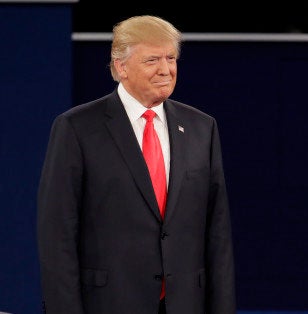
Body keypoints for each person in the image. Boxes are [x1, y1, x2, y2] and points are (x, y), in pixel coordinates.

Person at [37, 15, 235, 314]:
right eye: (152, 60)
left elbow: (217, 230)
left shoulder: (201, 127)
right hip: (108, 303)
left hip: (185, 304)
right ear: (121, 66)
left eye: (171, 58)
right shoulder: (77, 128)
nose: (166, 70)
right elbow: (57, 232)